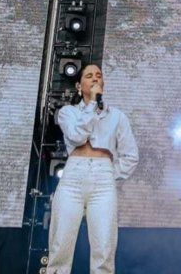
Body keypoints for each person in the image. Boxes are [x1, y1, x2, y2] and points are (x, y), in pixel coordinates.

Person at [47, 63, 139, 274]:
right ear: (79, 86)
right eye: (89, 76)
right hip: (72, 178)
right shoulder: (67, 112)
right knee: (60, 243)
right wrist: (91, 106)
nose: (96, 78)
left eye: (99, 75)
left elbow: (131, 156)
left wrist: (107, 171)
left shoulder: (117, 116)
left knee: (104, 247)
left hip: (103, 181)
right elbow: (77, 136)